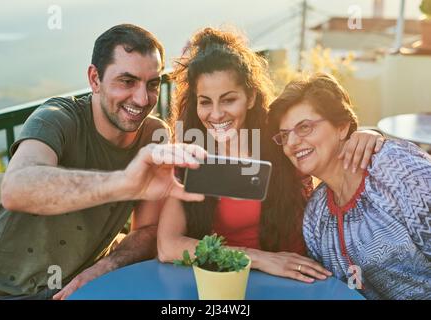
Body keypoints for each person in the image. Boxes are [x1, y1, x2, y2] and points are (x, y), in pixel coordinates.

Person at [0, 24, 206, 300]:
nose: (143, 98)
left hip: (84, 289)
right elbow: (16, 188)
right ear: (94, 79)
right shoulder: (57, 118)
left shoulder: (154, 135)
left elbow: (147, 230)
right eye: (127, 81)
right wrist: (125, 183)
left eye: (153, 84)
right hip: (0, 290)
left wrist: (103, 267)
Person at [157, 27, 385, 282]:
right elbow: (167, 247)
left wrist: (367, 134)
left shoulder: (284, 143)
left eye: (229, 99)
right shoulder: (191, 157)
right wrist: (259, 259)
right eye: (206, 101)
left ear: (251, 97)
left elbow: (332, 144)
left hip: (298, 281)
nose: (217, 113)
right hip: (232, 283)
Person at [268, 73, 431, 299]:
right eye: (285, 136)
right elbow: (338, 290)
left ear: (342, 127)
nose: (292, 143)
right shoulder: (316, 215)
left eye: (304, 127)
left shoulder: (394, 167)